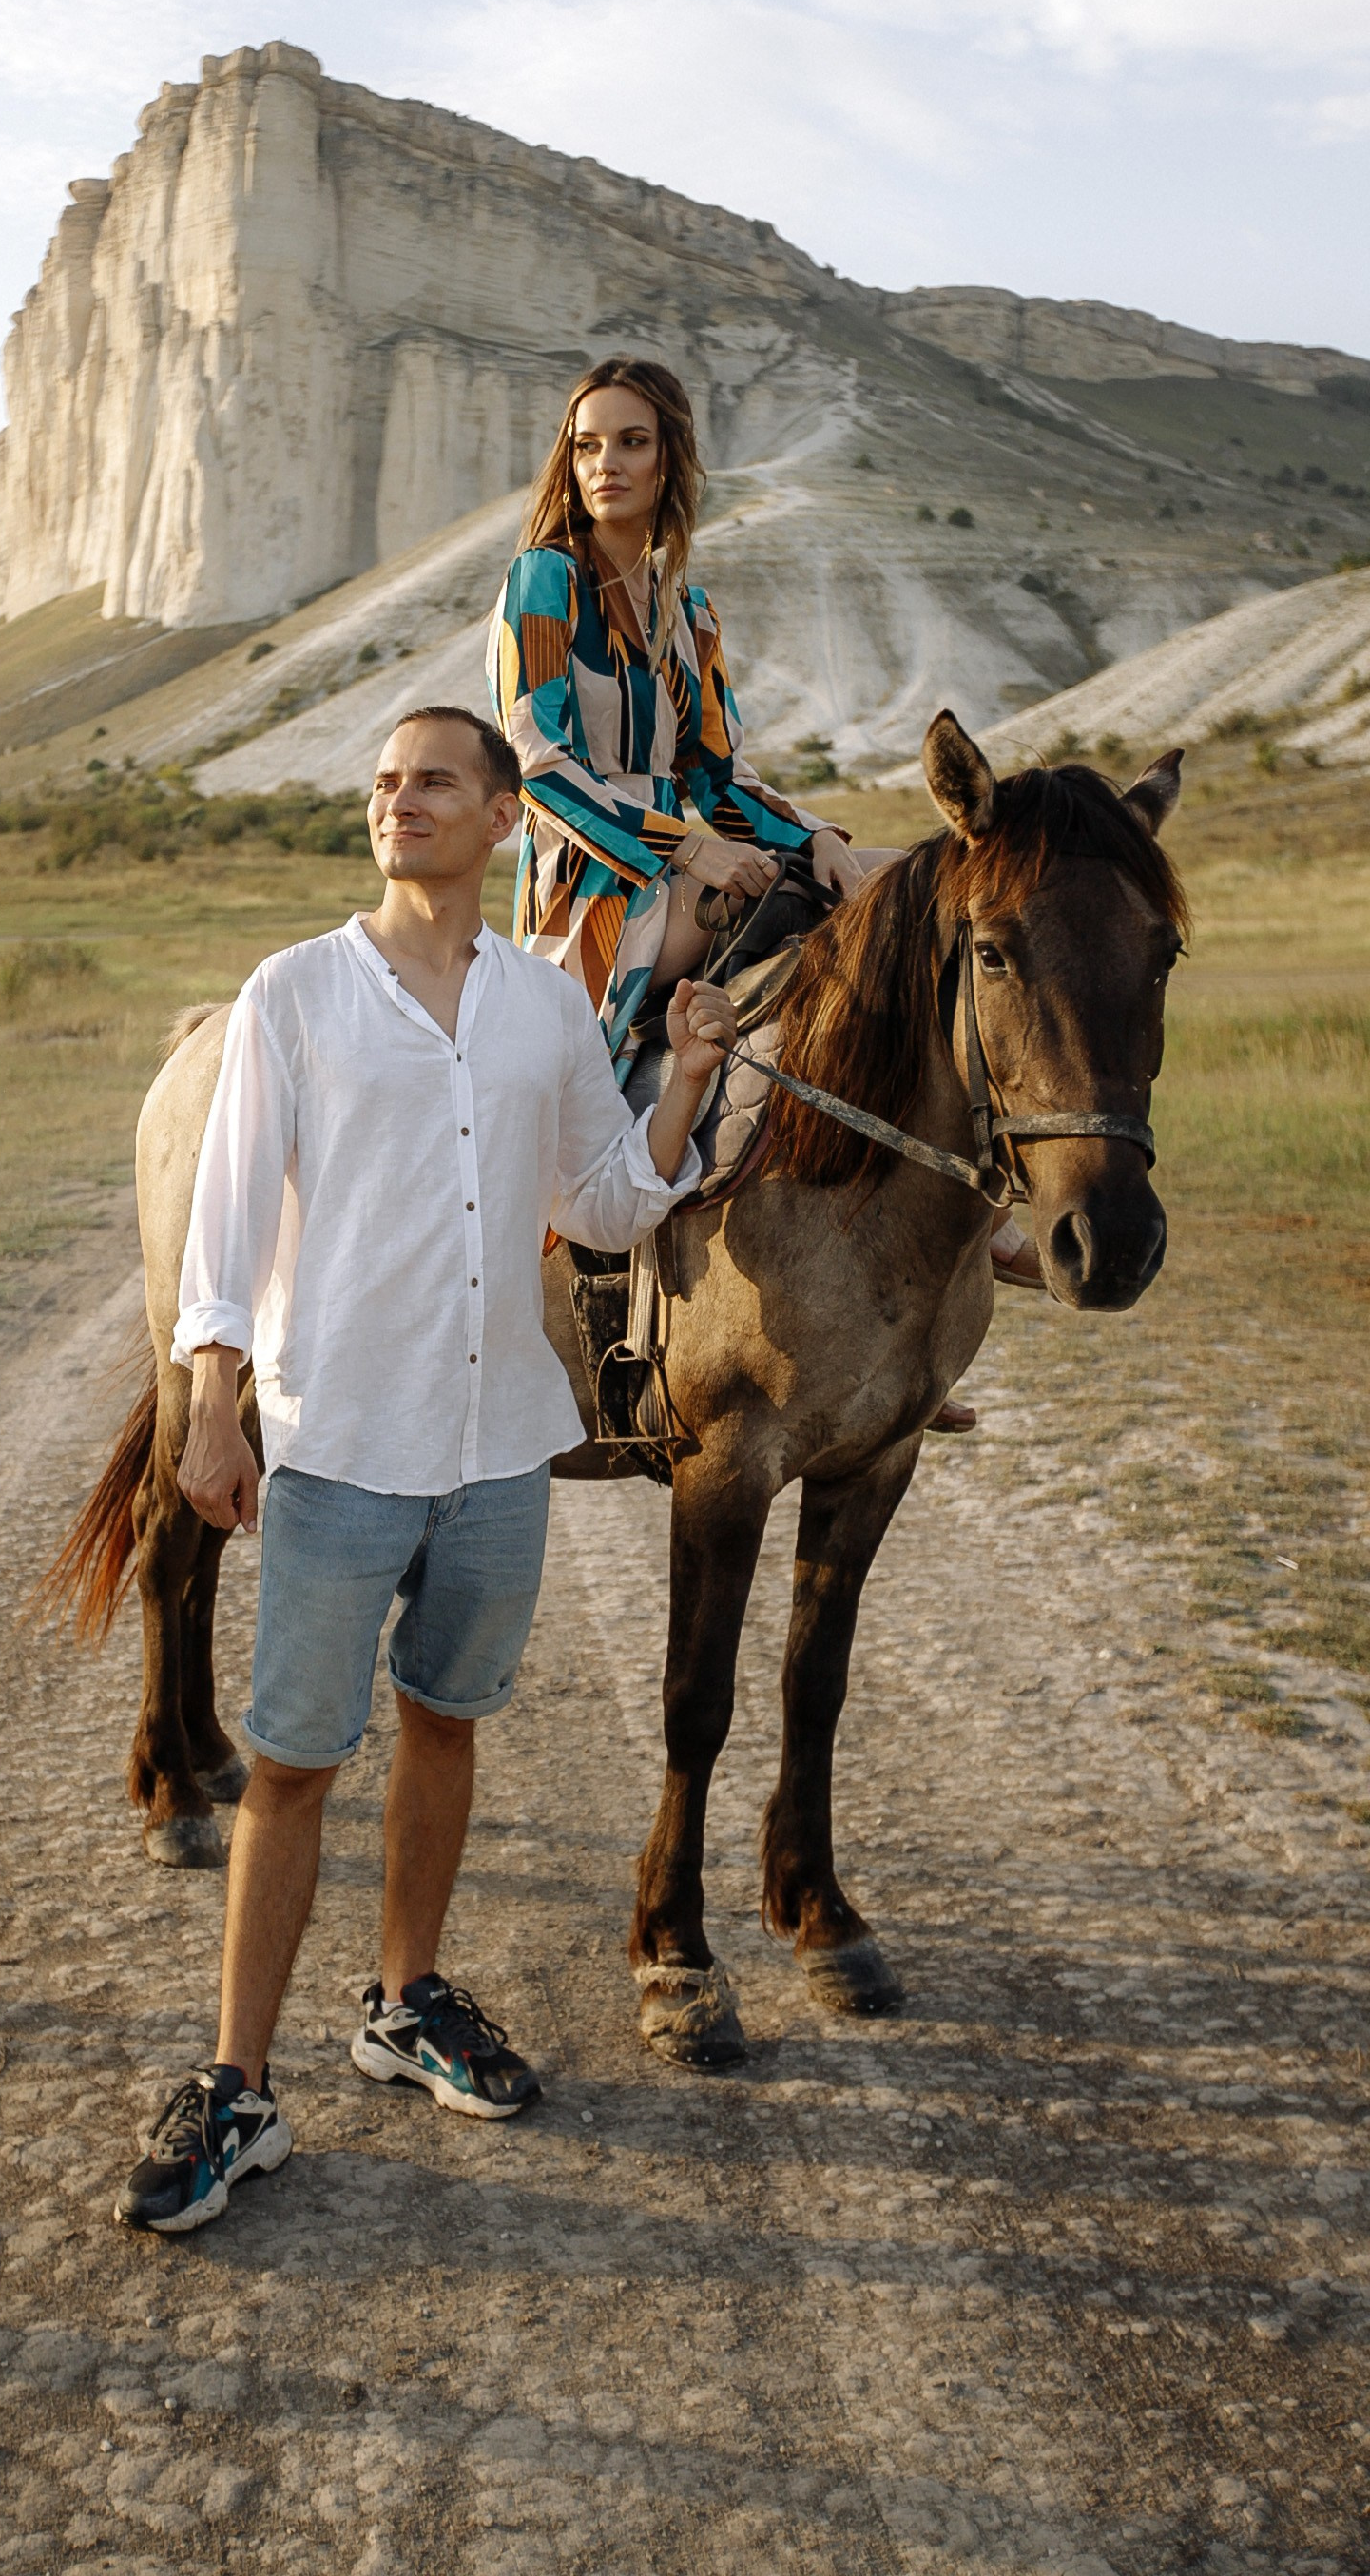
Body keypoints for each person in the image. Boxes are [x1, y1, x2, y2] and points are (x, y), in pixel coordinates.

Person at [113, 706, 737, 2235]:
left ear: (505, 819)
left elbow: (599, 1207)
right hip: (340, 1445)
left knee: (446, 1727)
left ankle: (402, 2005)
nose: (400, 801)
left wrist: (682, 1089)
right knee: (293, 1765)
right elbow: (228, 1223)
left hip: (496, 1446)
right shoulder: (297, 994)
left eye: (433, 782)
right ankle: (236, 2082)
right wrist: (213, 1402)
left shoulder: (543, 1007)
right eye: (385, 783)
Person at [487, 358, 1042, 1428]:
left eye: (633, 441)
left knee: (899, 887)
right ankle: (614, 1259)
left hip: (697, 855)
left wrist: (823, 843)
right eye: (589, 442)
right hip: (597, 884)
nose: (607, 463)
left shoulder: (688, 609)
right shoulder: (544, 582)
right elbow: (539, 762)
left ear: (670, 457)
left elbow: (721, 778)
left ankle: (921, 1264)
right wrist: (684, 851)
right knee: (763, 946)